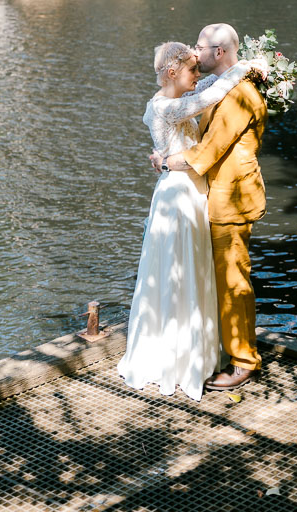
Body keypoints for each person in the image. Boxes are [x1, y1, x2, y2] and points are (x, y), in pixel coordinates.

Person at [118, 40, 256, 402]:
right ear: (172, 72)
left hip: (190, 193)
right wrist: (244, 68)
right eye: (192, 69)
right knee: (177, 273)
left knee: (190, 271)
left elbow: (209, 83)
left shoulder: (172, 97)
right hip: (178, 196)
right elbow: (211, 95)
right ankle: (176, 361)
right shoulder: (167, 107)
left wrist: (234, 63)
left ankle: (192, 354)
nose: (198, 75)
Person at [160, 22, 268, 391]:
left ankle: (244, 361)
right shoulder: (225, 86)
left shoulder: (238, 96)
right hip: (220, 194)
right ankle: (224, 348)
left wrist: (166, 162)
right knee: (222, 278)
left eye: (200, 46)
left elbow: (208, 151)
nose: (195, 51)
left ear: (218, 52)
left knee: (234, 280)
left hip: (232, 198)